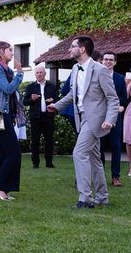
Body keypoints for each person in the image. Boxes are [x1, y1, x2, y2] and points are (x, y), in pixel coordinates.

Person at [48, 36, 119, 208]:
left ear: (82, 49)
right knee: (95, 160)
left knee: (79, 154)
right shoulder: (75, 68)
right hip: (81, 118)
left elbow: (113, 99)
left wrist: (110, 120)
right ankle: (102, 198)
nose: (69, 49)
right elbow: (73, 95)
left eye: (72, 46)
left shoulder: (101, 70)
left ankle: (85, 199)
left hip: (95, 120)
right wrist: (56, 106)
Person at [0, 41, 24, 201]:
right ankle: (1, 187)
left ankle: (1, 188)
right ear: (1, 51)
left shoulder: (5, 69)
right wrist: (20, 74)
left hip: (5, 114)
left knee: (3, 154)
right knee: (13, 153)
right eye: (10, 50)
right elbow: (8, 89)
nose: (12, 53)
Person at [99, 52, 127, 186]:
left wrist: (117, 105)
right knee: (100, 147)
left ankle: (116, 176)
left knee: (116, 147)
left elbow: (124, 98)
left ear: (115, 62)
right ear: (101, 61)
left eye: (111, 60)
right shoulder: (96, 76)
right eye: (105, 59)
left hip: (115, 117)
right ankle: (100, 176)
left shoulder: (120, 79)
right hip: (99, 117)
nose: (108, 62)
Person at [23, 65, 58, 168]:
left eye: (40, 72)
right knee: (35, 141)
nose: (38, 74)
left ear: (44, 74)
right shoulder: (30, 87)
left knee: (49, 140)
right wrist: (32, 99)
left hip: (48, 116)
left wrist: (53, 101)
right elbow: (25, 102)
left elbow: (57, 99)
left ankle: (49, 163)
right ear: (35, 74)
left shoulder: (51, 86)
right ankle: (35, 163)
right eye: (37, 73)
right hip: (35, 117)